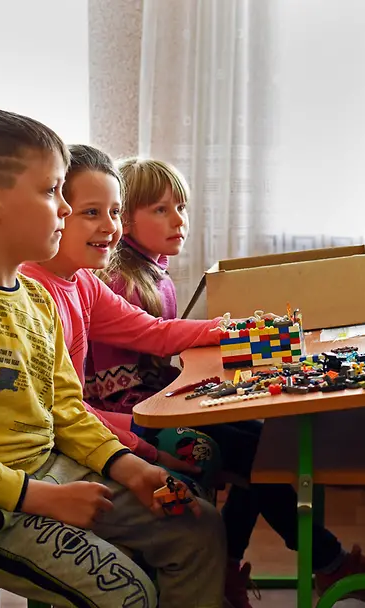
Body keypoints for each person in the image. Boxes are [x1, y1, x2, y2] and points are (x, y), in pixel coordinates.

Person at [0, 108, 226, 607]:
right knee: (128, 595)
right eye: (52, 192)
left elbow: (67, 408)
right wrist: (42, 497)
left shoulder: (37, 298)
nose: (65, 210)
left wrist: (126, 466)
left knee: (199, 526)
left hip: (53, 469)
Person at [87, 157, 365, 606]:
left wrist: (237, 334)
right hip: (133, 417)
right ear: (126, 217)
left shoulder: (152, 273)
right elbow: (142, 363)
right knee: (261, 455)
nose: (178, 220)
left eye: (180, 207)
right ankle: (329, 563)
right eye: (160, 210)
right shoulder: (120, 280)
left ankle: (239, 568)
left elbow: (164, 346)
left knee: (265, 447)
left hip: (161, 403)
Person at [19, 143, 225, 500]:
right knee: (203, 455)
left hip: (89, 423)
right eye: (92, 212)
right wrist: (144, 448)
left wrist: (235, 328)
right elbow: (61, 413)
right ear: (55, 212)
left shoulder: (82, 281)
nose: (111, 228)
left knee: (233, 442)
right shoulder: (33, 297)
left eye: (114, 212)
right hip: (65, 436)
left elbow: (153, 332)